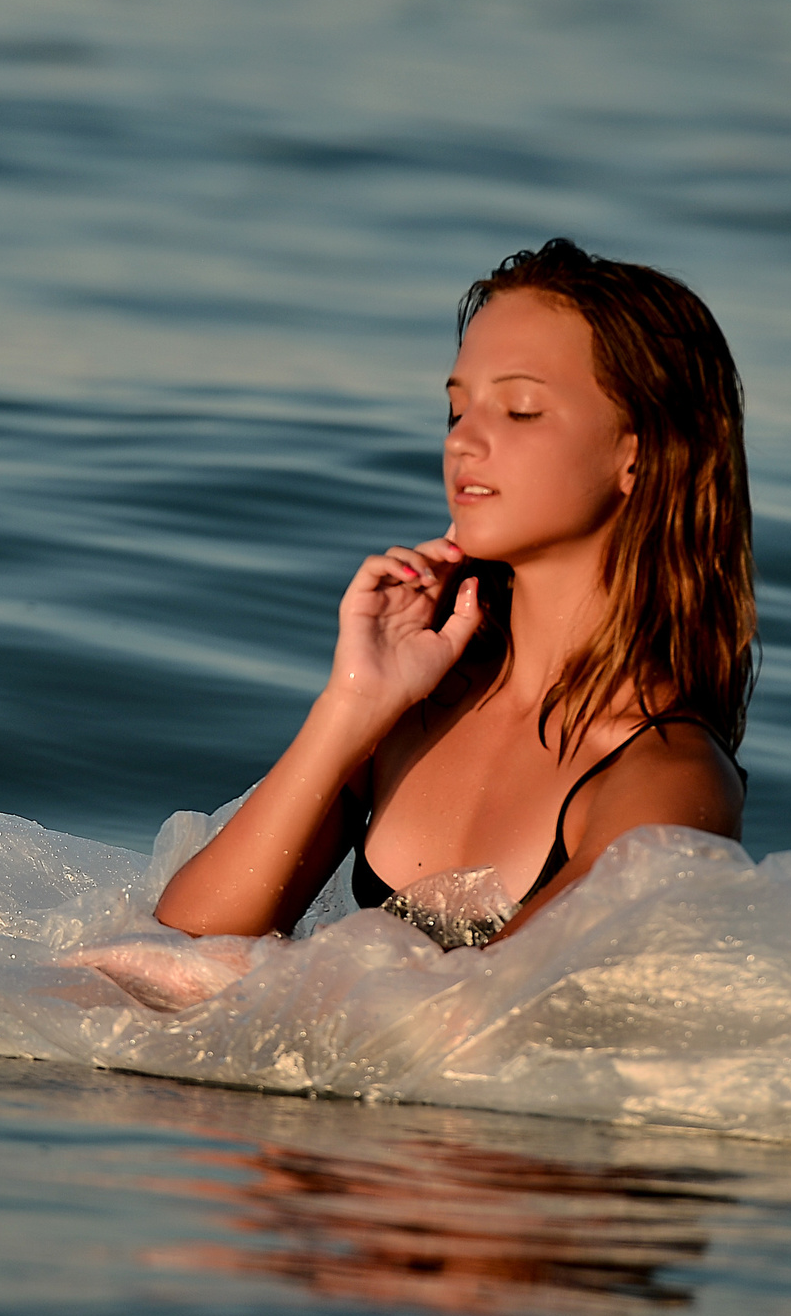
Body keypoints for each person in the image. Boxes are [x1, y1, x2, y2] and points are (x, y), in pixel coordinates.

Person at [153, 239, 753, 950]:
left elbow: (475, 1022)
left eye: (521, 410)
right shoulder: (414, 709)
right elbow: (180, 940)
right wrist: (352, 705)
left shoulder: (667, 779)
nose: (464, 440)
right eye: (456, 409)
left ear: (640, 452)